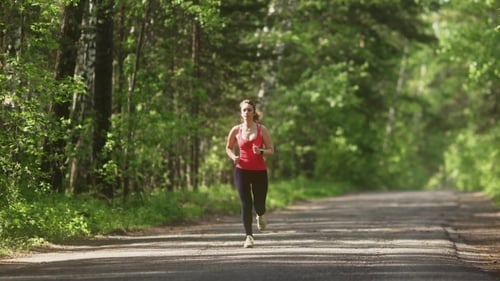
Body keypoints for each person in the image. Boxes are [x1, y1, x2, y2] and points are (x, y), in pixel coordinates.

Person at [225, 99, 274, 248]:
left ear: (254, 112)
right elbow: (228, 147)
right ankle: (249, 237)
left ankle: (260, 214)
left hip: (259, 171)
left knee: (259, 205)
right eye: (244, 110)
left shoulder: (261, 130)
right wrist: (233, 156)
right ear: (241, 113)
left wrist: (261, 151)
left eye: (249, 110)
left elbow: (271, 150)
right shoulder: (236, 130)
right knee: (246, 204)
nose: (247, 112)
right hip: (242, 170)